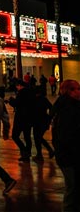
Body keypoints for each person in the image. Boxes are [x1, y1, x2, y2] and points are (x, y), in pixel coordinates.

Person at [51, 79, 80, 212]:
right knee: (72, 187)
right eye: (76, 89)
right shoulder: (68, 109)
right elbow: (66, 135)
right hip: (68, 155)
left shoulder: (66, 106)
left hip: (68, 153)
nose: (79, 92)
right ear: (68, 91)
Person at [8, 78, 34, 162]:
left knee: (15, 136)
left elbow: (17, 103)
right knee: (27, 136)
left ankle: (24, 151)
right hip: (29, 117)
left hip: (20, 118)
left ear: (19, 86)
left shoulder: (21, 93)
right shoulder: (30, 92)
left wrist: (11, 100)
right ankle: (28, 153)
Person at [31, 85, 55, 161]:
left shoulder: (34, 100)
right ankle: (48, 151)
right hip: (44, 120)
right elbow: (51, 107)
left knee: (37, 138)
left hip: (37, 121)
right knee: (39, 137)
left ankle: (40, 154)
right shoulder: (44, 99)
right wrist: (49, 117)